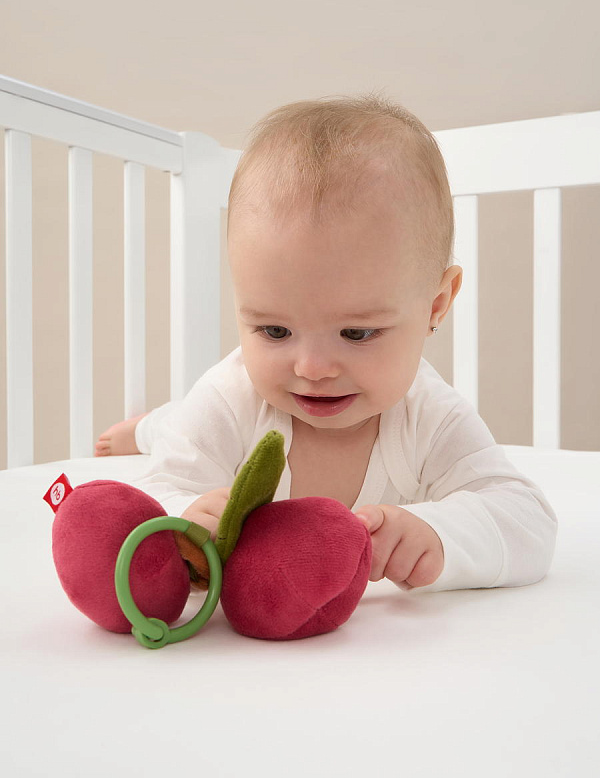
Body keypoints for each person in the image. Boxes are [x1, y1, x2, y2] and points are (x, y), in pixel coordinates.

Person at [95, 92, 557, 593]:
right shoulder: (230, 400)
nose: (312, 367)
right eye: (275, 331)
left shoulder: (430, 417)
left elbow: (527, 519)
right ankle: (153, 426)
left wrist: (439, 534)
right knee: (181, 425)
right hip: (205, 418)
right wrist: (187, 515)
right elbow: (157, 493)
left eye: (356, 333)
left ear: (436, 305)